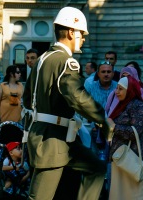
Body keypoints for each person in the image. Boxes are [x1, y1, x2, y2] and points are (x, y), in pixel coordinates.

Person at [23, 7, 111, 200]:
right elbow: (76, 96)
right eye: (82, 33)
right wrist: (103, 119)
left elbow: (27, 99)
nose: (84, 38)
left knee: (96, 167)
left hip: (58, 137)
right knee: (39, 197)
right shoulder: (66, 61)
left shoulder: (41, 60)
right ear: (72, 32)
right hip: (52, 141)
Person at [107, 76, 143, 200]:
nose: (116, 92)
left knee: (130, 194)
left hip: (130, 158)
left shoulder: (137, 105)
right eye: (117, 88)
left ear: (130, 90)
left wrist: (114, 126)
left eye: (121, 89)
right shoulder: (122, 105)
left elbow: (136, 132)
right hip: (120, 158)